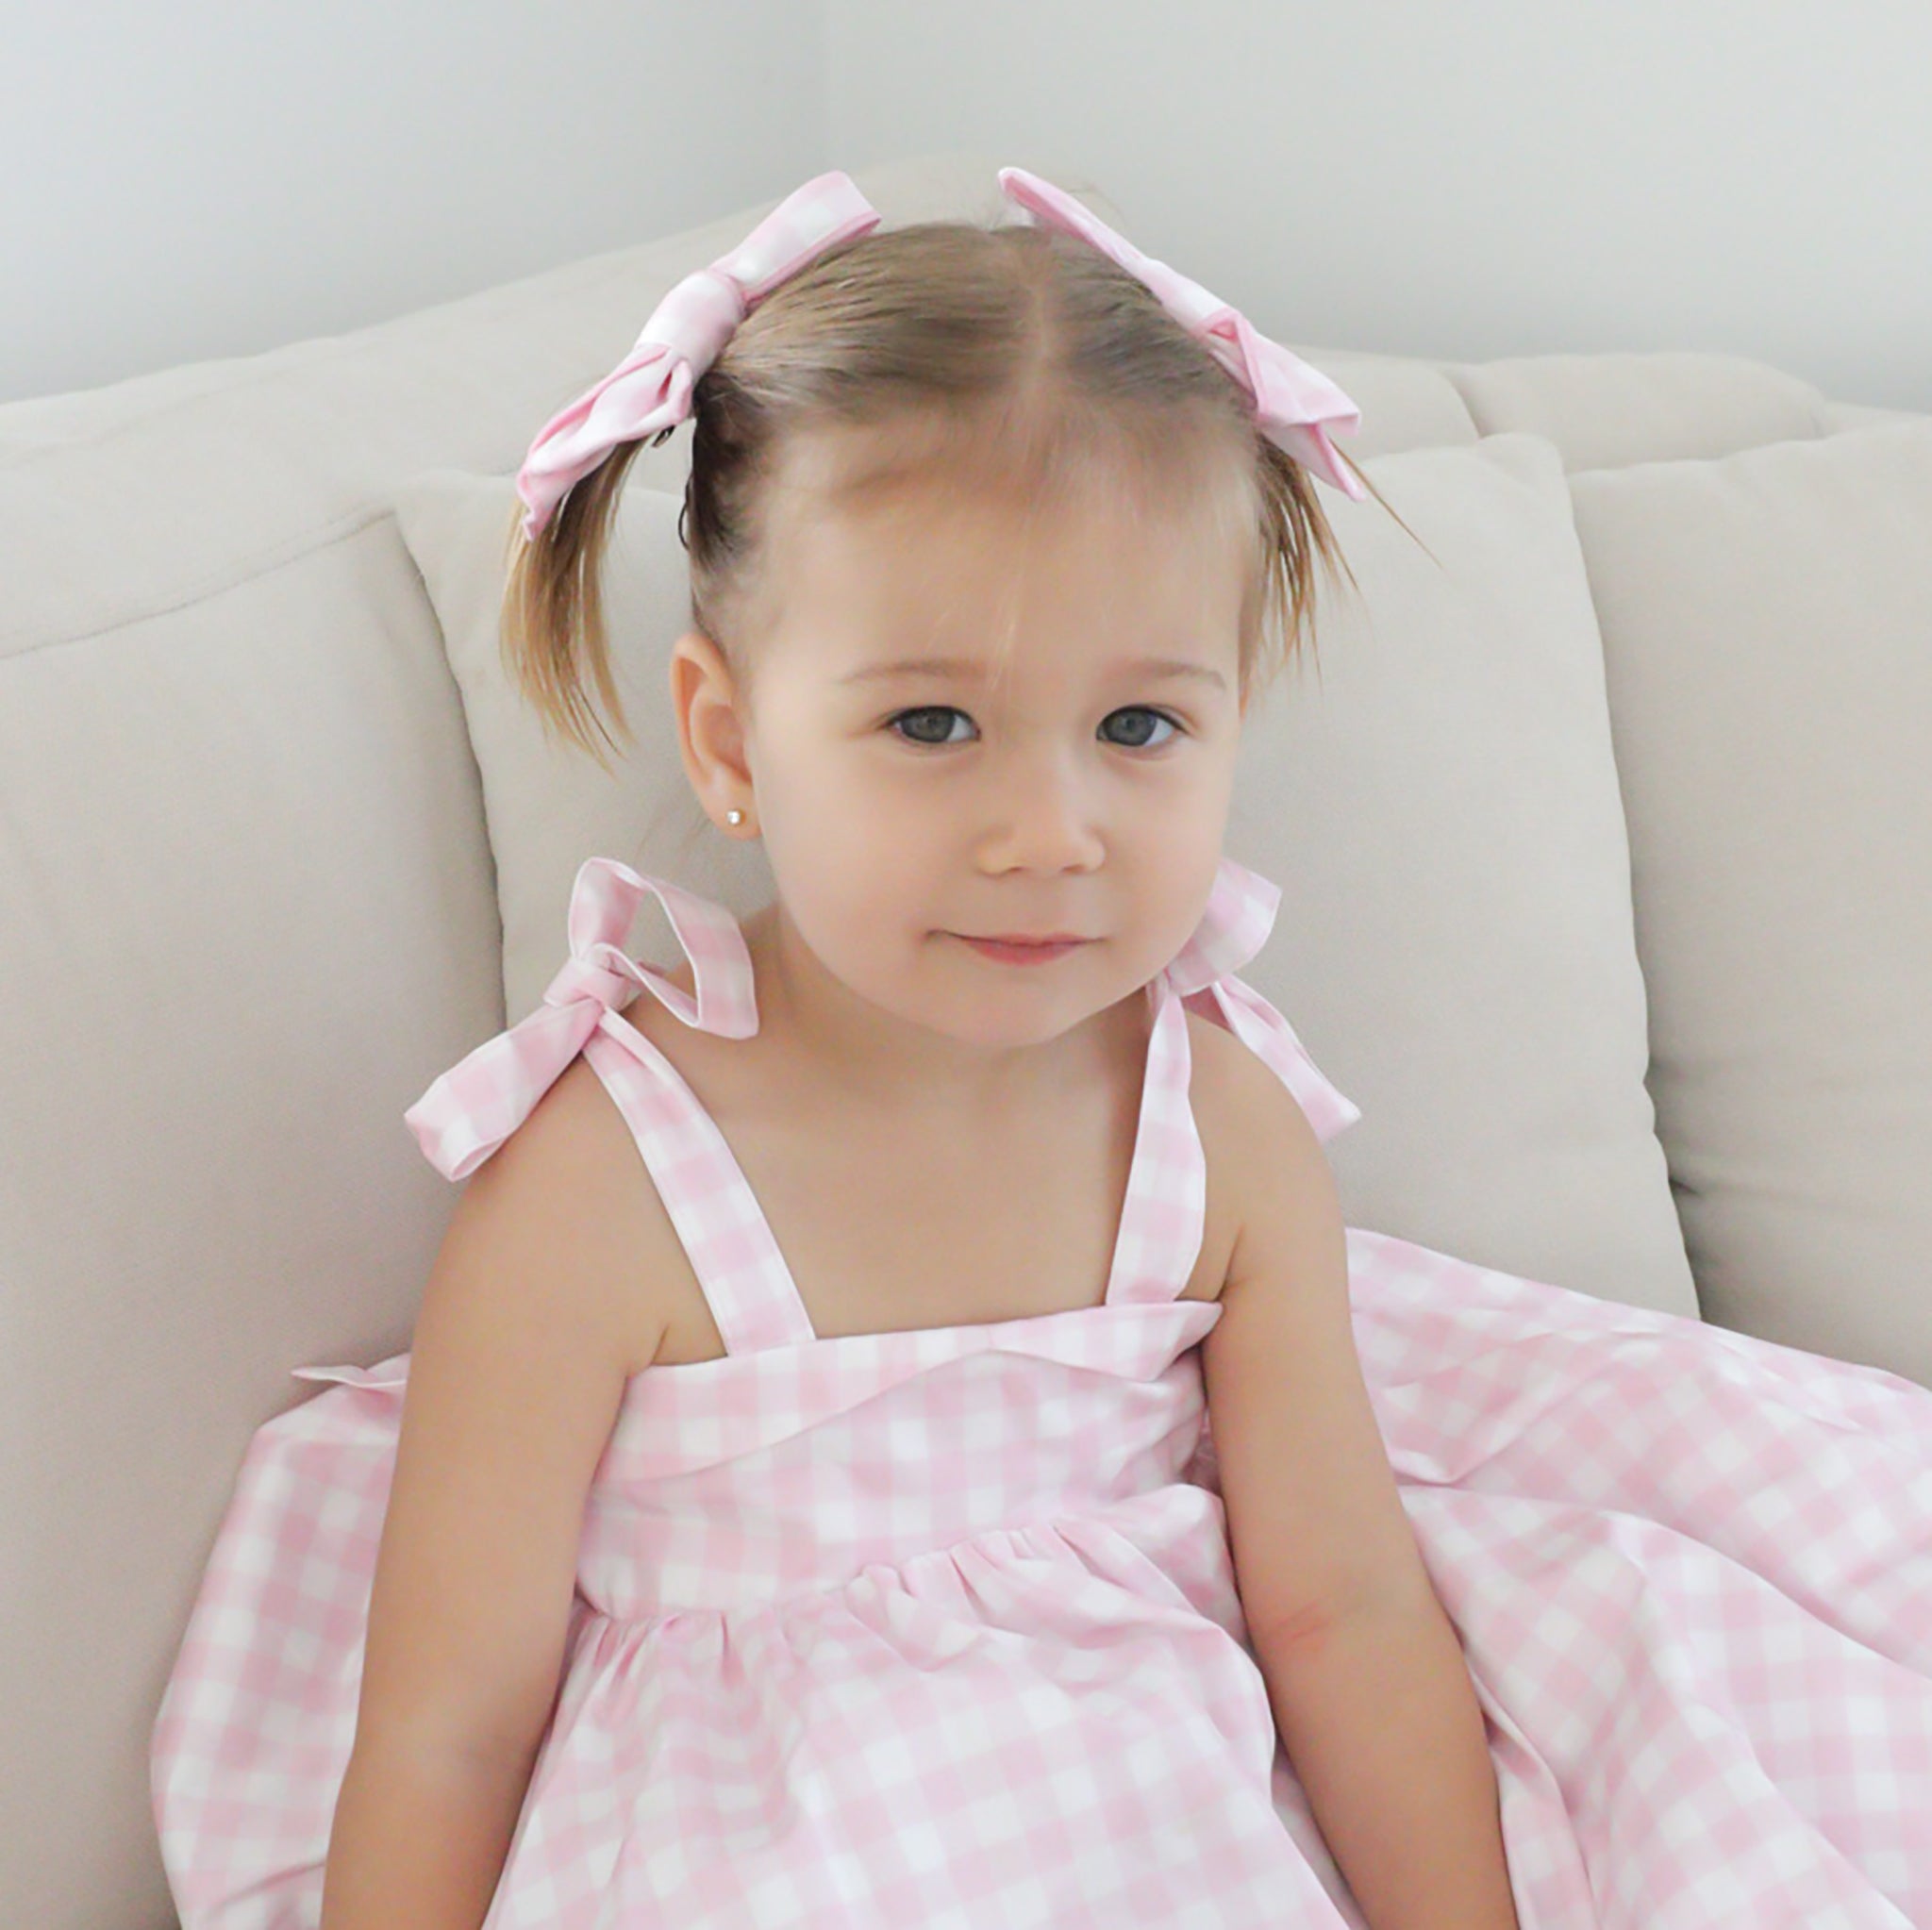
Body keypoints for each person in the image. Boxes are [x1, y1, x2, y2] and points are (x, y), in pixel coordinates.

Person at [151, 169, 1932, 1930]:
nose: (1050, 830)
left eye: (1139, 723)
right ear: (728, 737)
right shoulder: (609, 1174)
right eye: (932, 722)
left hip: (1149, 1821)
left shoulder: (1214, 1122)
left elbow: (1343, 1612)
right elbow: (452, 1720)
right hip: (763, 1847)